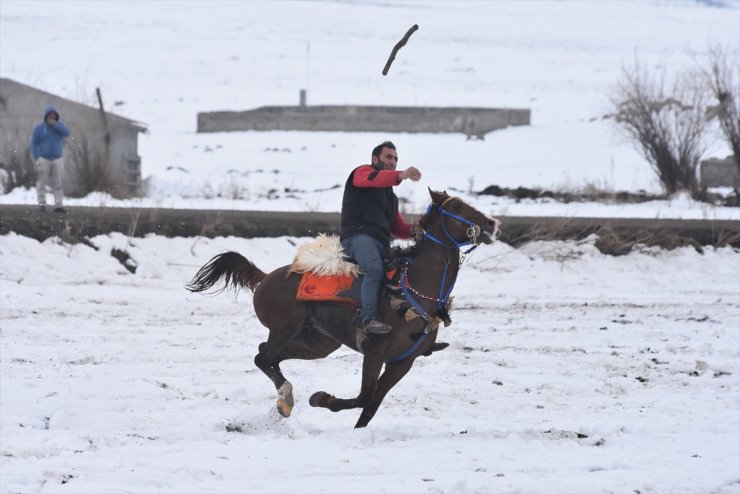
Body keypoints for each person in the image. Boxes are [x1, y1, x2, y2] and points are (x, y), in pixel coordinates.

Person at [340, 141, 422, 335]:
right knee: (375, 268)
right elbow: (376, 179)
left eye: (395, 159)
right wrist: (401, 175)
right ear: (374, 159)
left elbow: (398, 228)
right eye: (388, 157)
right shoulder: (361, 173)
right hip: (357, 237)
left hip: (380, 242)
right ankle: (369, 319)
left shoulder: (390, 197)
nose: (393, 162)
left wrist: (416, 229)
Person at [29, 106, 71, 212]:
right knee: (42, 182)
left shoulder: (59, 127)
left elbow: (67, 133)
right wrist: (36, 155)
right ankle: (42, 204)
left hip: (57, 158)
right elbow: (34, 142)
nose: (51, 117)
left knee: (57, 182)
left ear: (56, 117)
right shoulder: (39, 128)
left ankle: (58, 205)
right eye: (49, 115)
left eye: (53, 115)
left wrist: (55, 125)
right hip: (44, 158)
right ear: (46, 116)